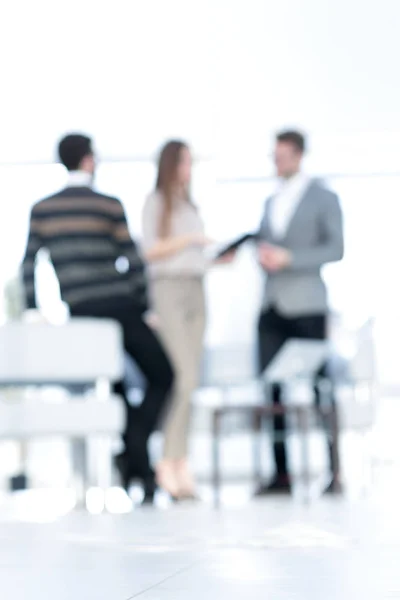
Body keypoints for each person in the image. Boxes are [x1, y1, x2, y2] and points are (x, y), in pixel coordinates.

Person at [22, 133, 174, 502]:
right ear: (89, 160)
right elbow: (133, 260)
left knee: (115, 386)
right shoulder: (108, 205)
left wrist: (33, 309)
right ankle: (136, 455)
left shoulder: (43, 209)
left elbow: (28, 265)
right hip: (121, 306)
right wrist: (143, 305)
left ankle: (134, 463)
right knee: (164, 375)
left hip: (81, 314)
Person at [142, 140, 233, 500]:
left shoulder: (189, 204)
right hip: (169, 292)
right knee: (185, 376)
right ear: (171, 164)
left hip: (197, 287)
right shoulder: (156, 202)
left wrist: (214, 260)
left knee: (193, 380)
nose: (189, 169)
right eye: (184, 163)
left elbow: (191, 257)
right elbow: (150, 250)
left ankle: (181, 460)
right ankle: (167, 460)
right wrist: (190, 238)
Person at [256, 130, 344, 495]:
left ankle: (333, 471)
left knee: (321, 389)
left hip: (307, 304)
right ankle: (282, 475)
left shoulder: (324, 197)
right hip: (271, 304)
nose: (278, 163)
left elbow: (336, 248)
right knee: (272, 392)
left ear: (299, 155)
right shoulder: (269, 201)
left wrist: (291, 258)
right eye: (274, 156)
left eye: (284, 156)